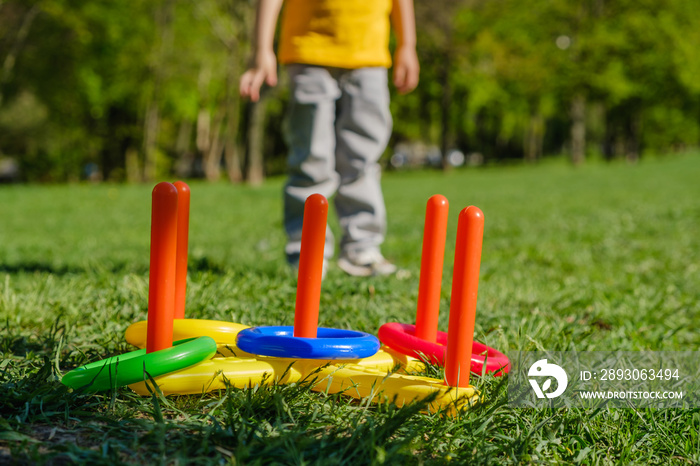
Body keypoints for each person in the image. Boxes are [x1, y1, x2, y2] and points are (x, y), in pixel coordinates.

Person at [240, 0, 419, 277]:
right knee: (311, 157)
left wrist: (407, 45)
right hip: (309, 49)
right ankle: (307, 252)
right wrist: (262, 49)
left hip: (369, 51)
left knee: (362, 157)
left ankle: (362, 248)